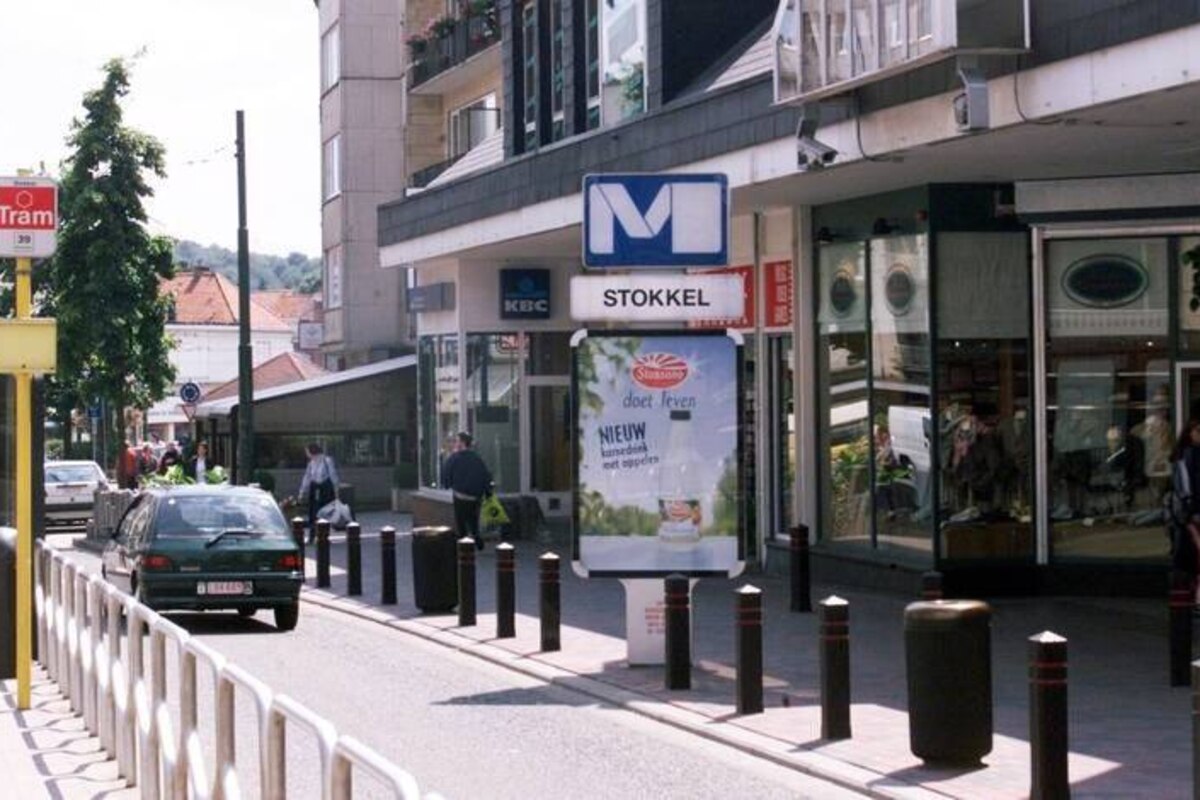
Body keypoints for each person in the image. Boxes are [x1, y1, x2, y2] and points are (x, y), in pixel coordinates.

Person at [440, 431, 493, 550]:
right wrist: (487, 492)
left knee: (461, 521)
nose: (455, 444)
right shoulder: (477, 458)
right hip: (475, 496)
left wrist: (447, 484)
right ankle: (477, 538)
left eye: (457, 441)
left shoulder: (455, 458)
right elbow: (485, 475)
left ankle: (464, 544)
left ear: (462, 443)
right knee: (473, 519)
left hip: (460, 495)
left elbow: (446, 473)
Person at [1168, 421, 1200, 592]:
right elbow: (1185, 489)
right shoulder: (1187, 456)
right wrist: (1189, 513)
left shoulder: (1185, 456)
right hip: (1191, 514)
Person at [298, 442, 339, 544]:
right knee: (313, 512)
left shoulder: (327, 460)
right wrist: (302, 492)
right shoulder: (311, 463)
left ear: (312, 451)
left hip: (325, 488)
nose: (306, 453)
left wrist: (336, 489)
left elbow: (333, 474)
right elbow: (307, 477)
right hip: (315, 487)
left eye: (307, 451)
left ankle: (324, 536)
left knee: (325, 512)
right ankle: (312, 537)